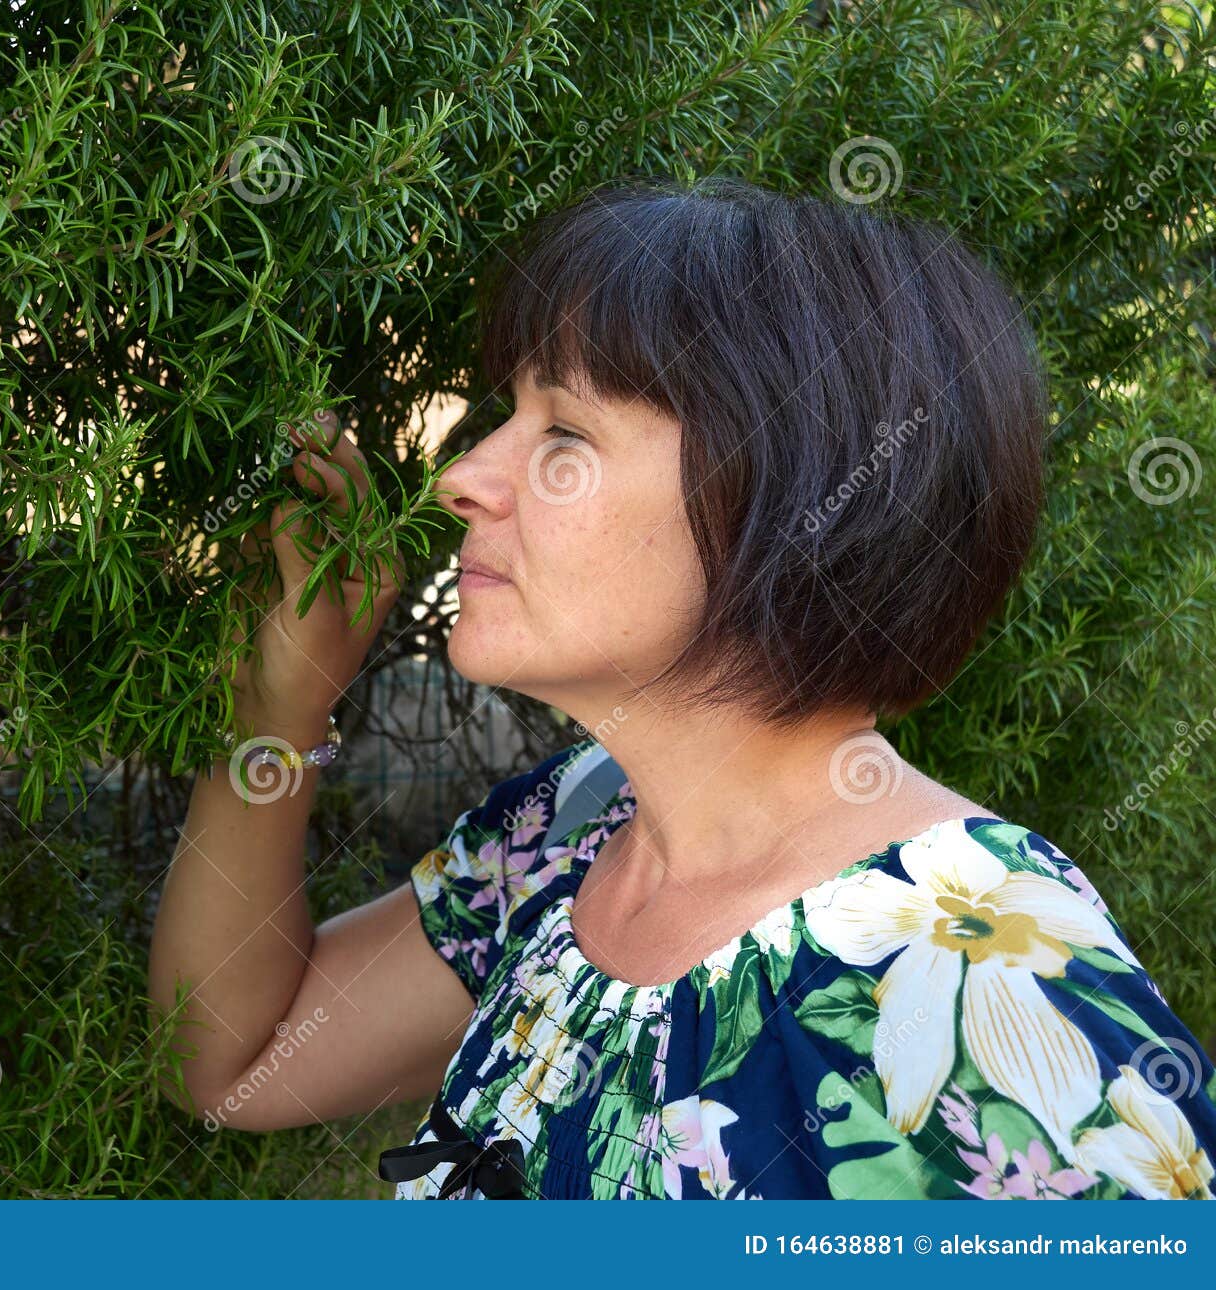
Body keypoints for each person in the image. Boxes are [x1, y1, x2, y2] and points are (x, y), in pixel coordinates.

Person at [147, 176, 1216, 1199]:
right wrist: (280, 711)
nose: (459, 478)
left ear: (786, 498)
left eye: (564, 434)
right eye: (506, 417)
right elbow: (234, 1065)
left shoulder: (974, 979)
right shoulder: (572, 832)